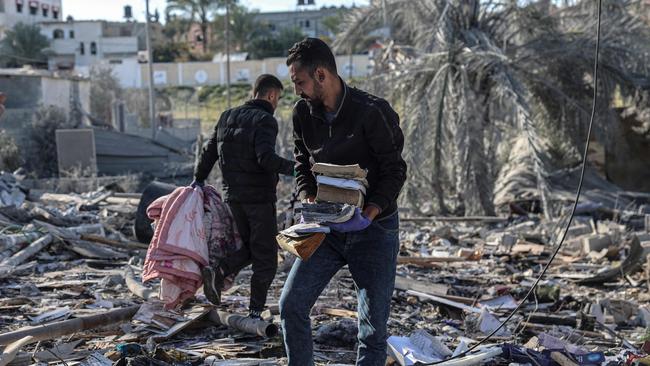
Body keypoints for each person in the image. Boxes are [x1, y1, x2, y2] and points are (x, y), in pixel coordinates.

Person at [279, 38, 407, 365]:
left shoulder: (372, 112)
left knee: (373, 329)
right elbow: (301, 160)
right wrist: (310, 196)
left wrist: (370, 211)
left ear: (321, 75)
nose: (296, 90)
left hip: (374, 230)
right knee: (291, 305)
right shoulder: (302, 114)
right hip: (328, 229)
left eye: (299, 82)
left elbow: (395, 169)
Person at [193, 74, 295, 318]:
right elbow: (265, 159)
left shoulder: (227, 116)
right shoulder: (265, 120)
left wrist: (198, 179)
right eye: (278, 98)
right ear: (271, 95)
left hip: (233, 198)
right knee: (267, 259)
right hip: (259, 199)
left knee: (251, 247)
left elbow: (209, 153)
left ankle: (219, 270)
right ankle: (254, 312)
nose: (277, 103)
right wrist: (299, 168)